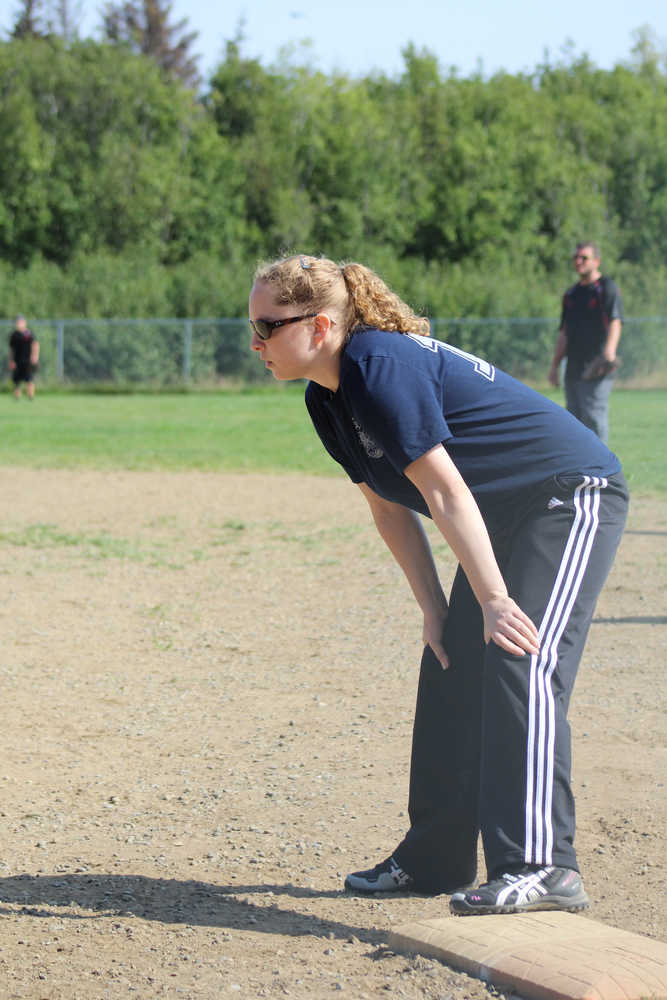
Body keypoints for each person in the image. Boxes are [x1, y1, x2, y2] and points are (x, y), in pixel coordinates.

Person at [249, 254, 629, 916]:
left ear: (319, 326)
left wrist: (492, 599)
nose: (254, 342)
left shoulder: (376, 365)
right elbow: (388, 509)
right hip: (506, 514)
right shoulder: (327, 398)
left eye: (265, 325)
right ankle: (435, 856)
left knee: (519, 654)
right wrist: (434, 609)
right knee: (451, 661)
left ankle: (543, 865)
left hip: (569, 495)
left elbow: (443, 490)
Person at [548, 242, 623, 443]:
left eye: (584, 257)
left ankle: (602, 469)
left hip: (597, 365)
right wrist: (554, 366)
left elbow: (616, 321)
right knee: (573, 419)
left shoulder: (606, 287)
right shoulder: (571, 294)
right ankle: (580, 469)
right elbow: (564, 333)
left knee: (593, 416)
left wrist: (609, 352)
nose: (578, 261)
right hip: (573, 366)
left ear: (596, 261)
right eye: (576, 257)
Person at [8, 314, 39, 400]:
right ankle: (17, 397)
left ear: (24, 323)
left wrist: (35, 357)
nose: (18, 324)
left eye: (20, 322)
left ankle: (31, 397)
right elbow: (12, 349)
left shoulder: (29, 333)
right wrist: (11, 360)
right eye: (17, 322)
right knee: (16, 380)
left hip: (28, 360)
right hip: (17, 360)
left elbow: (35, 345)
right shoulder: (14, 335)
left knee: (29, 379)